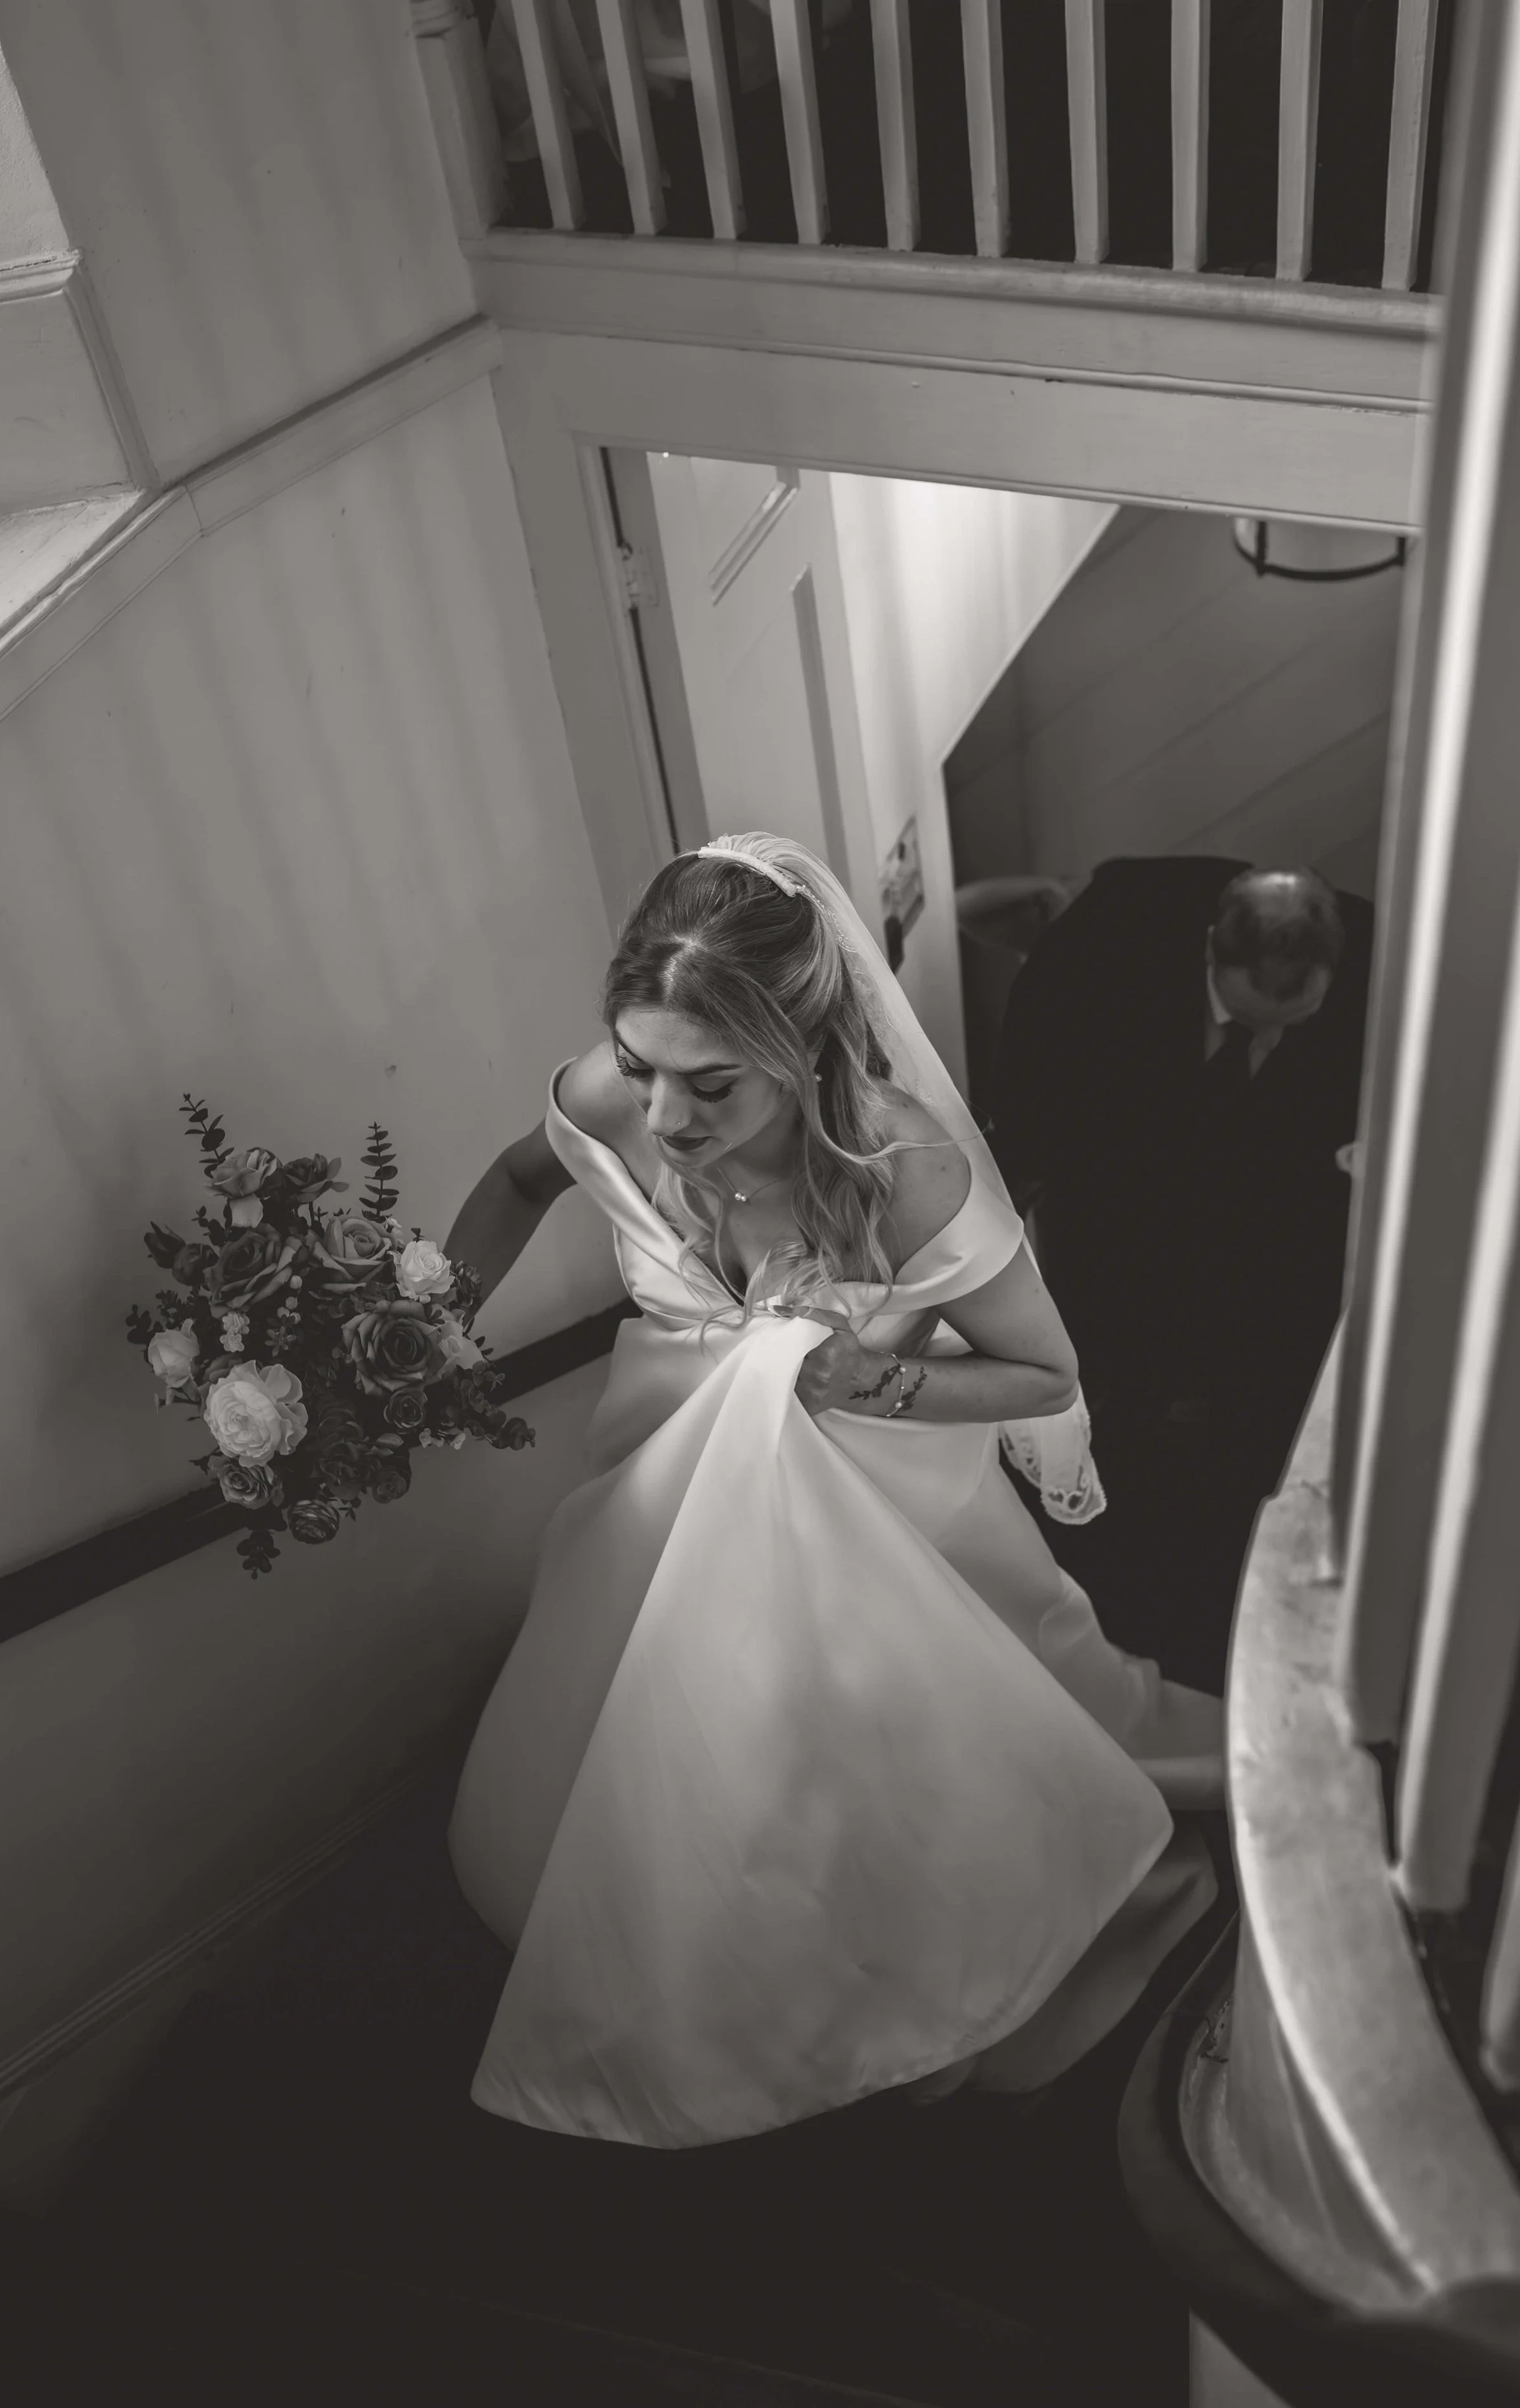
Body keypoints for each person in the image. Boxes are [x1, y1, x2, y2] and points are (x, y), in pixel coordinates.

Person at [442, 832, 1222, 2150]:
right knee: (670, 1711)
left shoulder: (903, 1173)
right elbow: (528, 1172)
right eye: (640, 1068)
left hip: (874, 1514)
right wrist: (437, 1318)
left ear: (803, 1055)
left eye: (711, 1086)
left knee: (861, 1747)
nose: (665, 1120)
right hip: (672, 1454)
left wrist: (882, 1386)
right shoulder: (619, 1095)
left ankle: (906, 1971)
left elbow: (1040, 1373)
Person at [987, 856, 1374, 1695]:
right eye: (1248, 1017)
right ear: (1209, 953)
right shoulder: (1096, 956)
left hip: (1282, 1230)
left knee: (1257, 1429)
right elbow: (1024, 1119)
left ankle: (1245, 1605)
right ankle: (1120, 1580)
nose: (1269, 1037)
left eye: (1292, 1021)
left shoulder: (1380, 975)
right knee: (1117, 1397)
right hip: (1122, 1207)